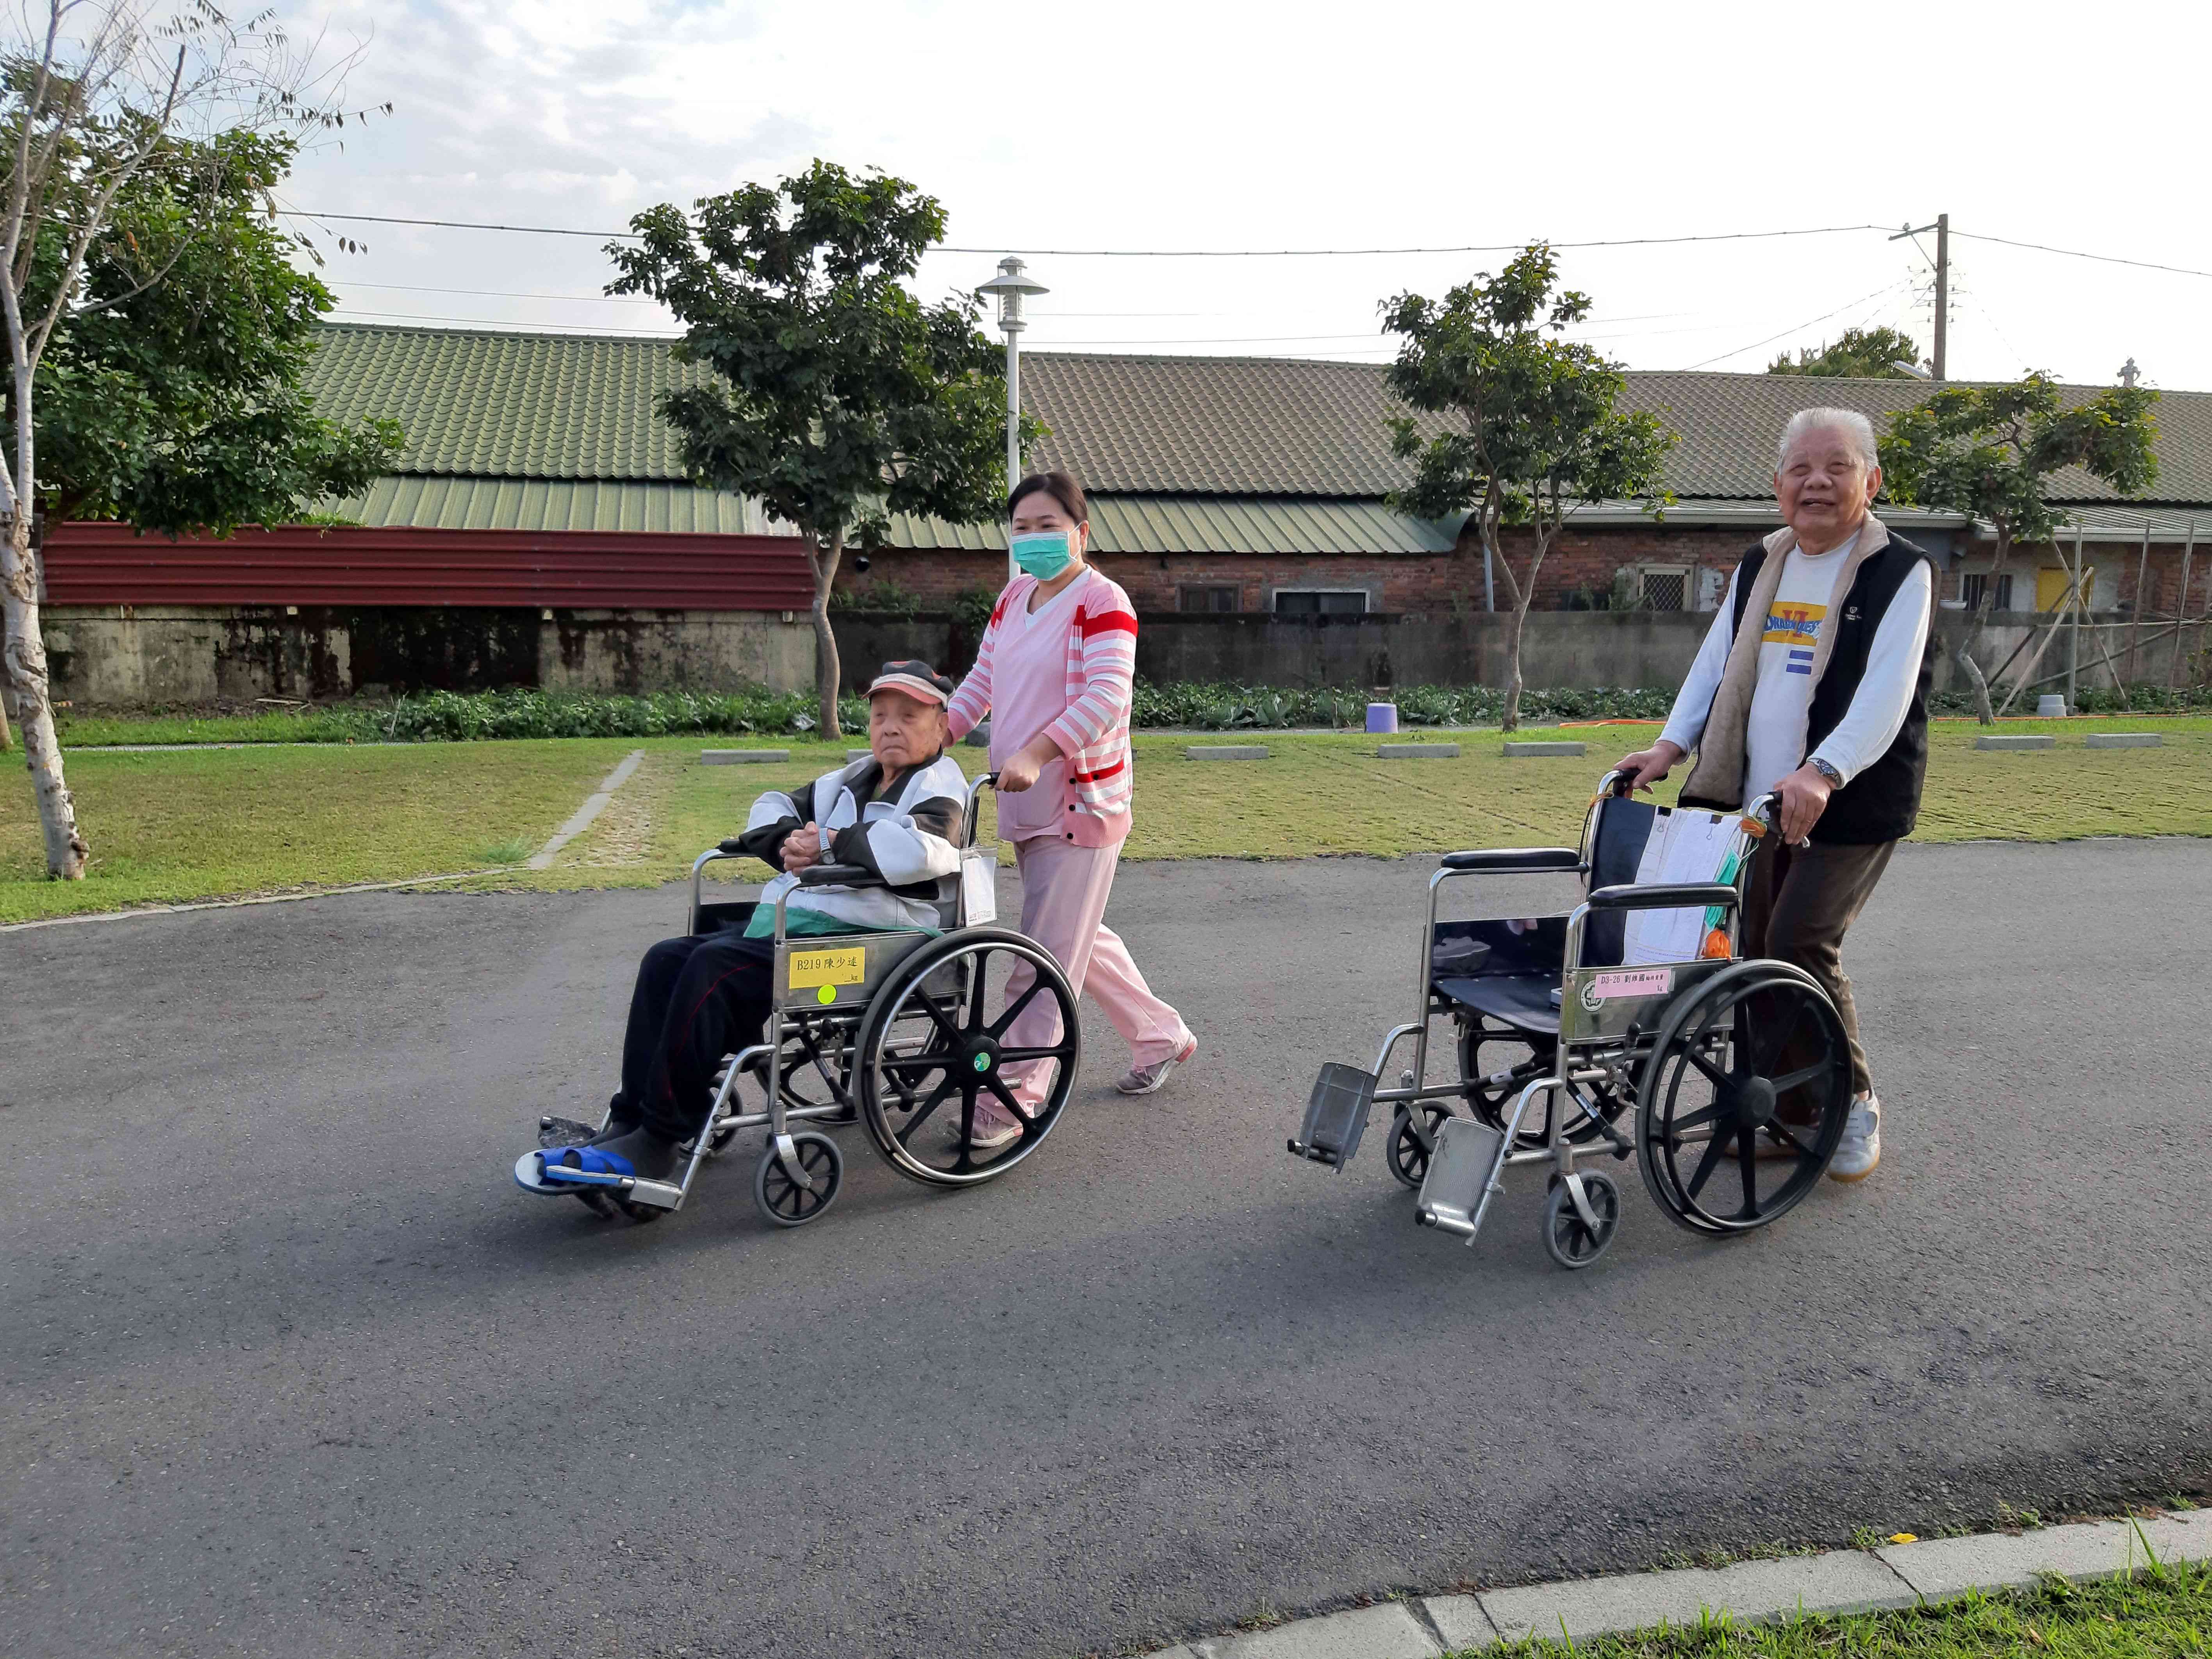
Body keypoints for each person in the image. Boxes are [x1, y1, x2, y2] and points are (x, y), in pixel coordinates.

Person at [1616, 407, 1935, 1183]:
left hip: (1852, 801)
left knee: (1799, 944)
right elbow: (1718, 661)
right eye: (1801, 469)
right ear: (1778, 483)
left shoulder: (1900, 570)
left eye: (1836, 467)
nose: (1817, 482)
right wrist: (1671, 743)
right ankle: (1789, 1110)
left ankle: (1854, 1104)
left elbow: (1886, 697)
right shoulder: (1765, 562)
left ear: (1872, 480)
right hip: (1764, 802)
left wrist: (1824, 772)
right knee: (1752, 953)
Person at [560, 662, 969, 1183]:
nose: (890, 726)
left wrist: (831, 842)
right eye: (881, 714)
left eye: (909, 716)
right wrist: (785, 842)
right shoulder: (851, 778)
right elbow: (771, 804)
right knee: (665, 958)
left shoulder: (940, 782)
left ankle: (660, 1137)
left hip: (875, 937)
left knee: (715, 968)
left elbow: (926, 851)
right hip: (806, 922)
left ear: (941, 724)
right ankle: (630, 1117)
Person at [945, 470, 1197, 1143]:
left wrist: (1034, 753)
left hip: (1079, 805)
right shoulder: (1014, 597)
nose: (1034, 539)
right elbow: (982, 680)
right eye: (1022, 527)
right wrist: (932, 732)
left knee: (1042, 955)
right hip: (1026, 806)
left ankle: (1015, 1094)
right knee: (1074, 937)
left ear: (1081, 532)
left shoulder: (1103, 601)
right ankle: (1160, 1034)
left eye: (1048, 526)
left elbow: (1107, 696)